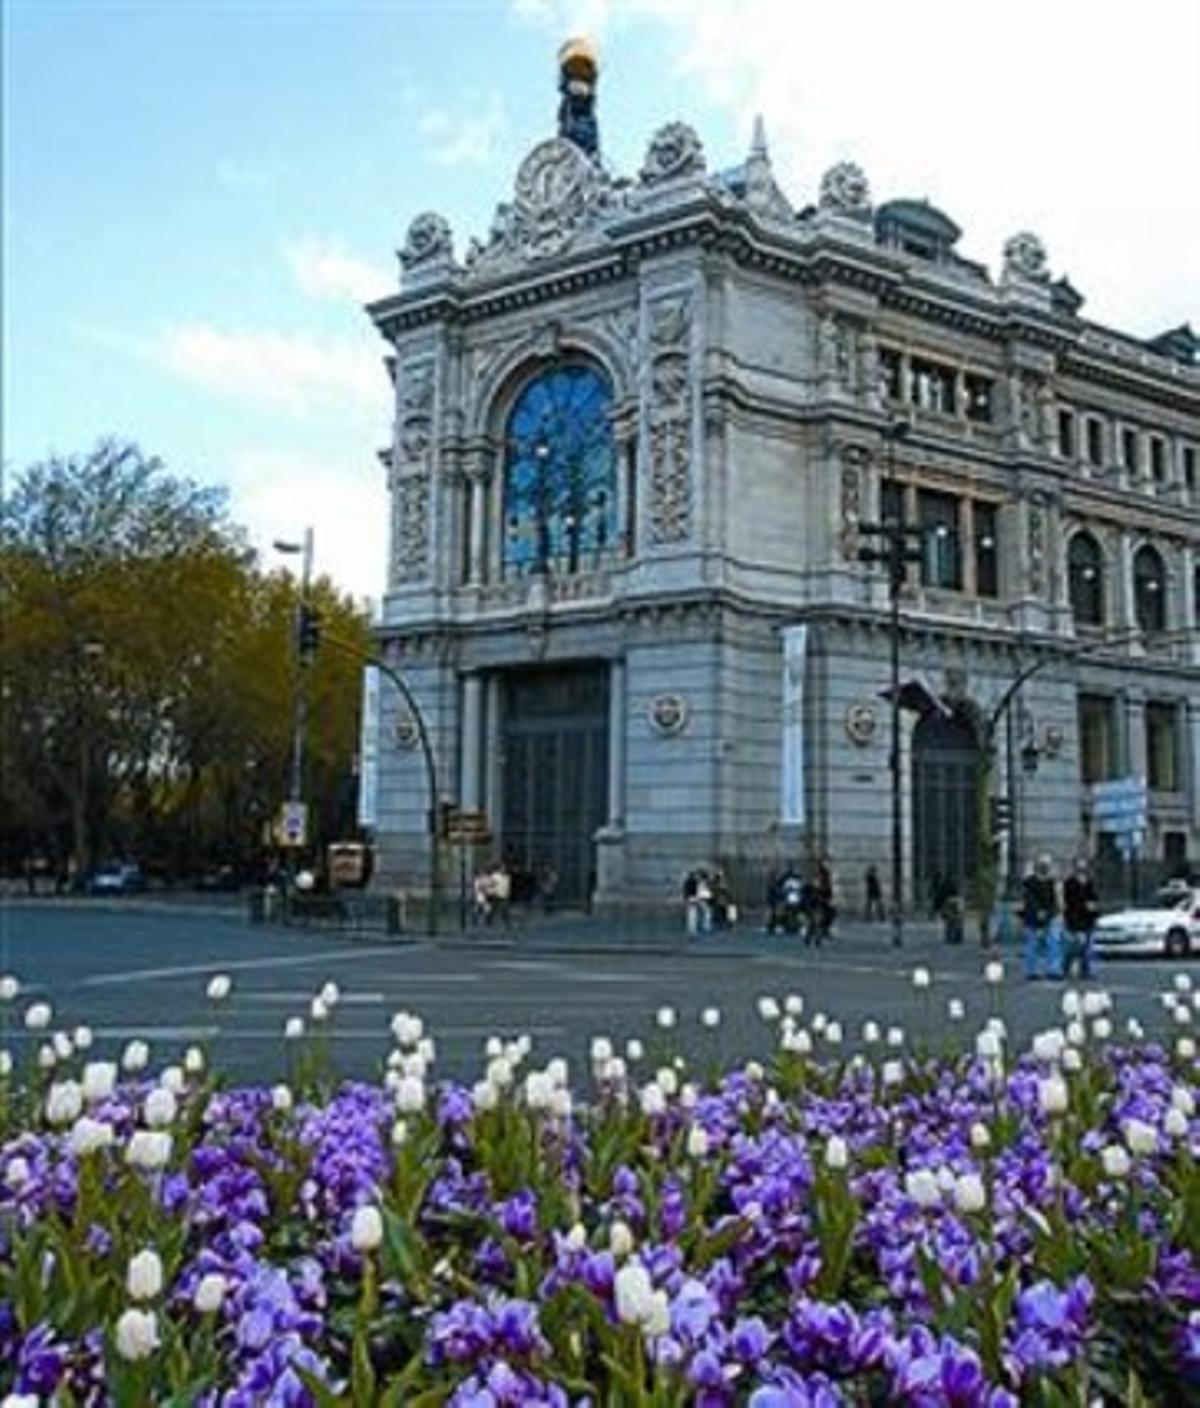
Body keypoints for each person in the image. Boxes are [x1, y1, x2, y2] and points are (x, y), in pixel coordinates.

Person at [1022, 854, 1062, 980]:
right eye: (1042, 864)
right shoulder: (1029, 882)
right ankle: (1031, 971)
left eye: (1047, 864)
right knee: (1032, 944)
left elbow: (1056, 900)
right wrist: (1039, 912)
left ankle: (1053, 970)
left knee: (1053, 943)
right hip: (1033, 917)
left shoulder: (1052, 882)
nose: (1045, 867)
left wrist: (1049, 913)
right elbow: (1029, 900)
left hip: (1050, 916)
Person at [1062, 857, 1100, 980]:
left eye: (1084, 867)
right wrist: (1085, 905)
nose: (1082, 870)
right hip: (1075, 918)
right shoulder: (1069, 883)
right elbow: (1070, 901)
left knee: (1088, 948)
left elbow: (1094, 898)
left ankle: (1087, 971)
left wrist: (1093, 908)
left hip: (1089, 919)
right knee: (1075, 947)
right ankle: (1066, 967)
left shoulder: (1090, 882)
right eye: (1079, 867)